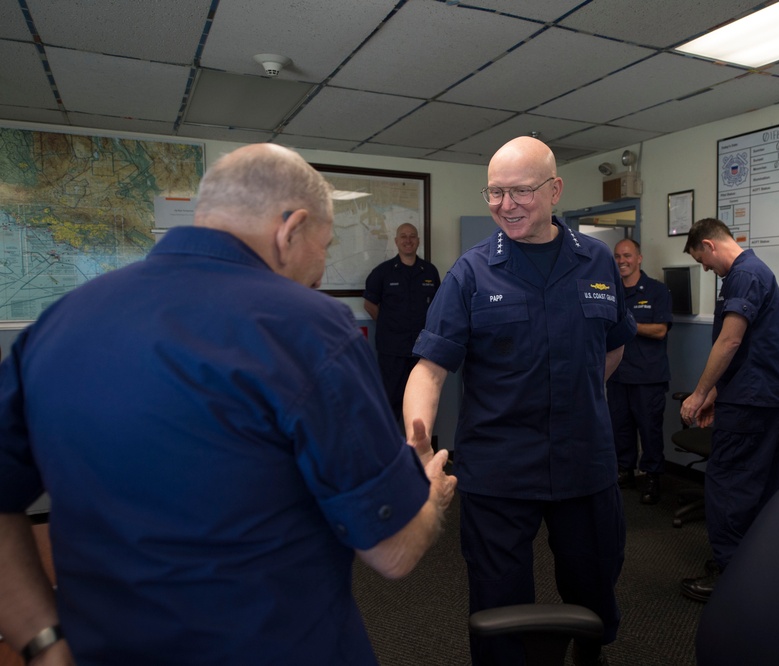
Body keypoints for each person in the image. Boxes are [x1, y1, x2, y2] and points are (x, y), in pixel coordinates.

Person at [0, 143, 456, 666]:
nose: (320, 271)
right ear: (291, 229)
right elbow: (392, 551)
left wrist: (43, 642)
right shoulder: (309, 328)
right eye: (324, 246)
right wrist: (428, 494)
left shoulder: (62, 321)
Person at [403, 137, 636, 666]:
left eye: (521, 191)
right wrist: (416, 440)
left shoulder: (595, 260)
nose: (505, 205)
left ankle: (590, 657)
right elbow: (430, 368)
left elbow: (615, 343)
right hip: (499, 471)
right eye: (495, 192)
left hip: (585, 464)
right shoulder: (471, 272)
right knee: (497, 602)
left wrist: (580, 392)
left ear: (555, 190)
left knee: (595, 584)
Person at [678, 217, 779, 602]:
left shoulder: (744, 275)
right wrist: (717, 393)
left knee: (729, 485)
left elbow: (729, 342)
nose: (706, 268)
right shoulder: (756, 271)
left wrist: (699, 393)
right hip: (769, 398)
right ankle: (756, 568)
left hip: (751, 402)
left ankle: (730, 575)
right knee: (762, 486)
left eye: (702, 261)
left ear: (710, 246)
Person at [607, 238, 672, 505]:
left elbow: (660, 330)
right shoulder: (610, 291)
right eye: (617, 256)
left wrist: (627, 325)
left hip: (648, 376)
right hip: (618, 374)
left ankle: (653, 477)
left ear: (639, 258)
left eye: (627, 255)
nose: (622, 261)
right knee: (620, 428)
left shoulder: (657, 291)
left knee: (649, 430)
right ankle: (625, 471)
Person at [363, 223, 440, 423]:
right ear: (396, 241)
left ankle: (417, 449)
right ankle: (389, 451)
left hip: (421, 350)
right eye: (403, 236)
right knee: (390, 402)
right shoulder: (383, 272)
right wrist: (391, 325)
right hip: (392, 351)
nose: (408, 240)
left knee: (422, 401)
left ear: (418, 241)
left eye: (412, 236)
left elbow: (438, 306)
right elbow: (370, 305)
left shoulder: (429, 272)